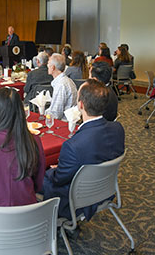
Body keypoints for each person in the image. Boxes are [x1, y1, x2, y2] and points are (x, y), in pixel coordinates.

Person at [43, 79, 125, 219]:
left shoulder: (73, 146)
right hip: (105, 190)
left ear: (80, 104)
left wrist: (55, 170)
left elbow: (58, 180)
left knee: (38, 176)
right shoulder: (118, 129)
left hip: (77, 199)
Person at [46, 53, 77, 120]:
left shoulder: (61, 85)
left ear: (53, 67)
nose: (47, 66)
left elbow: (56, 114)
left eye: (48, 64)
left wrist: (43, 113)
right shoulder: (68, 80)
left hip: (62, 123)